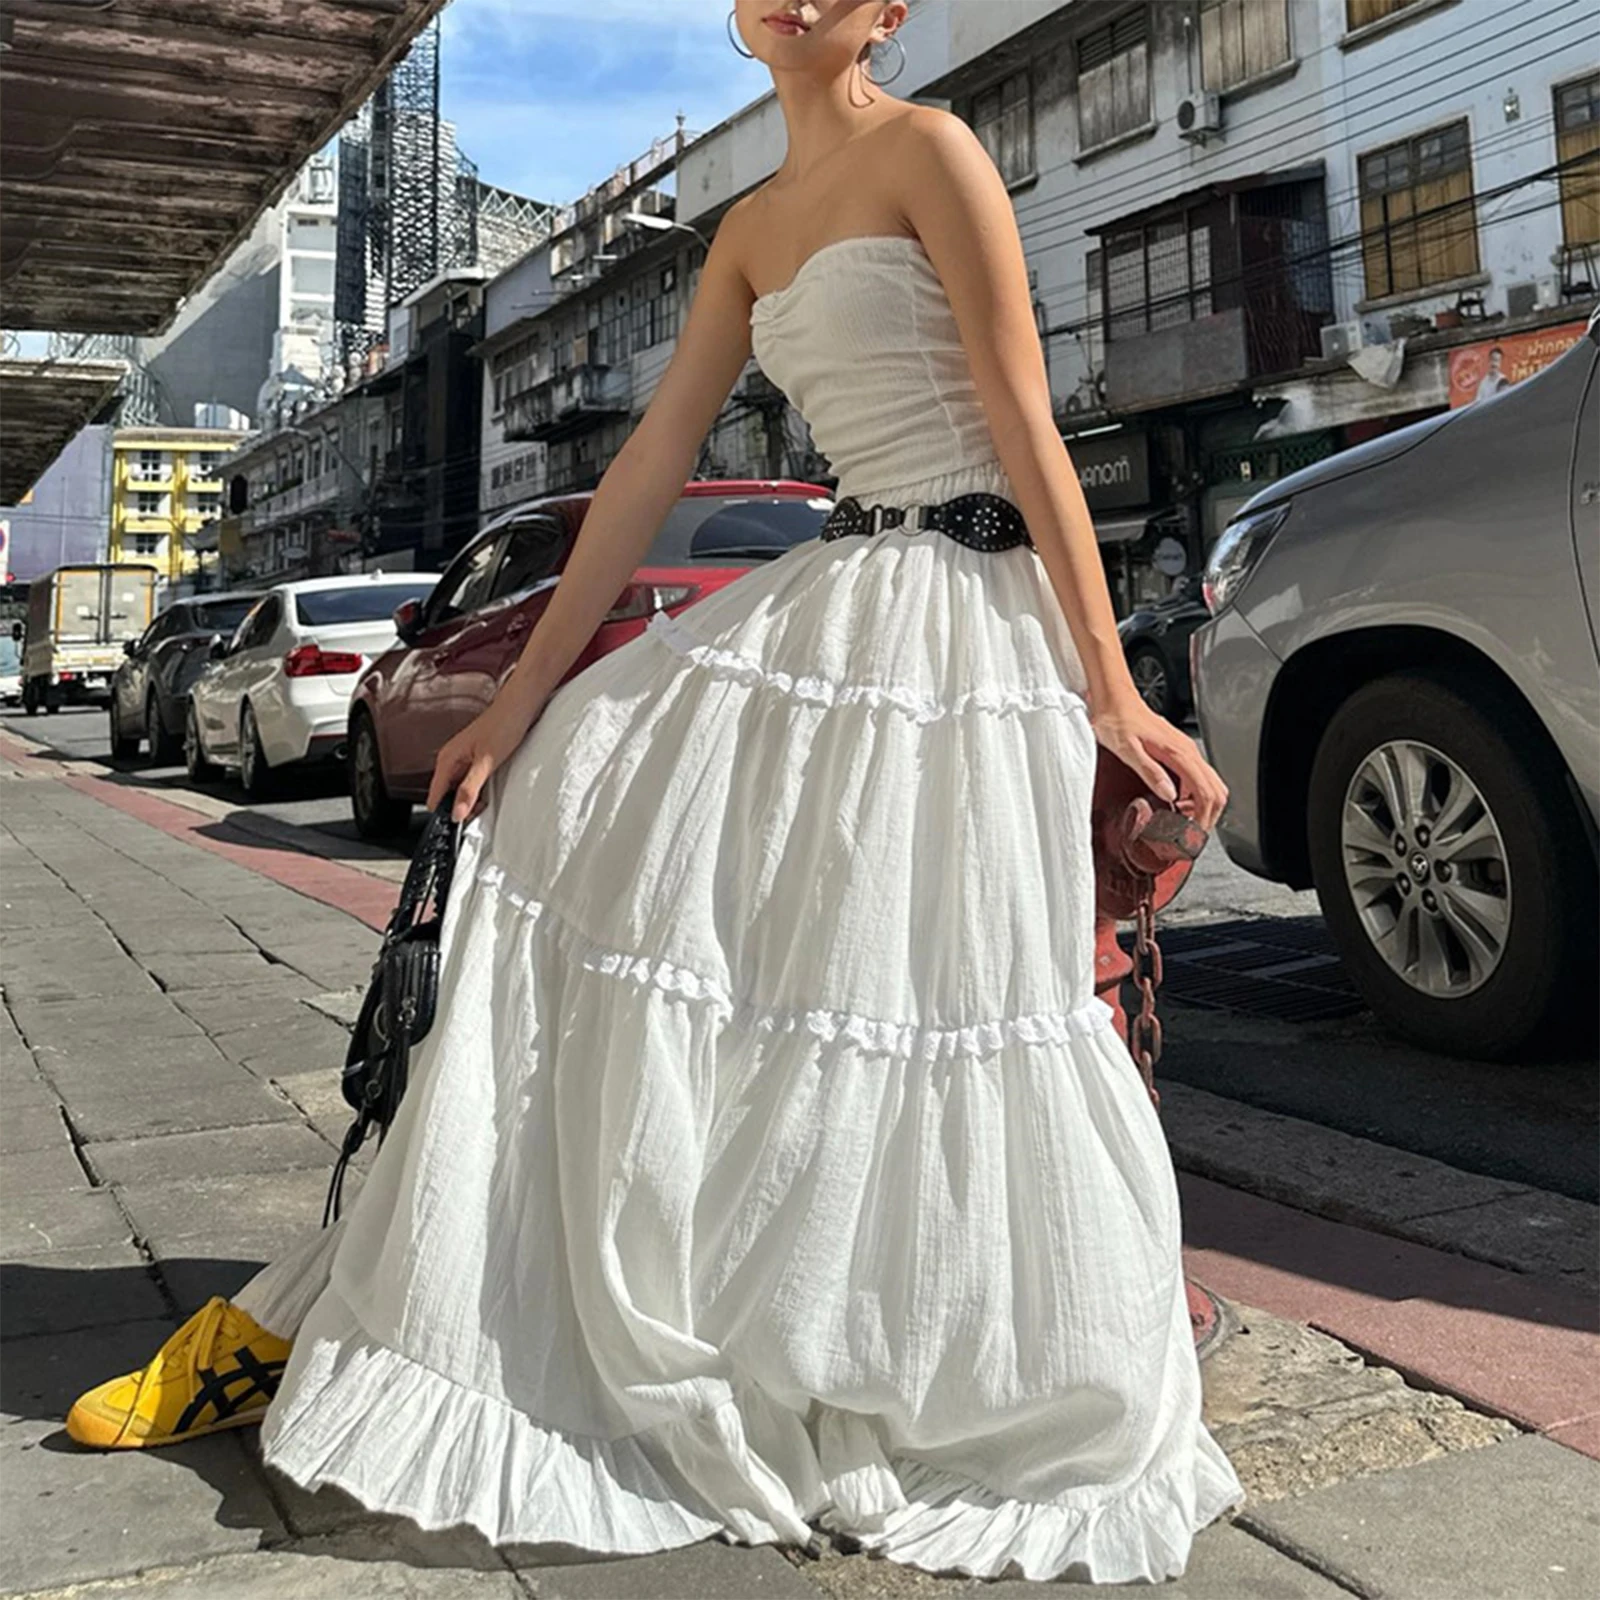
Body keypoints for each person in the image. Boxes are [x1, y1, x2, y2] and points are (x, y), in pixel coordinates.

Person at [65, 1, 1246, 1583]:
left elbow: (1026, 418)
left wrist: (1107, 686)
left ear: (886, 12)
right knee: (590, 801)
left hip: (967, 626)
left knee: (939, 990)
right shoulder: (744, 233)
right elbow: (644, 473)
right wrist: (522, 694)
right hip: (841, 592)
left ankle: (960, 1351)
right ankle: (612, 1297)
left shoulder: (938, 149)